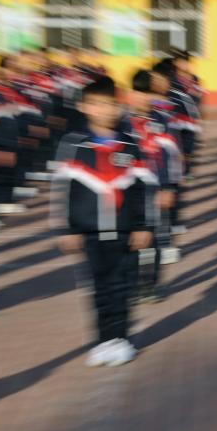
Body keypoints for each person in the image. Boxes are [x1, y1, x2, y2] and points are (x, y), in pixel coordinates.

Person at [51, 76, 155, 367]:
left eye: (110, 104)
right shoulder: (73, 145)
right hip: (90, 232)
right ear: (84, 107)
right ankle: (103, 341)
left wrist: (144, 226)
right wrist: (67, 228)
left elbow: (144, 189)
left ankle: (120, 338)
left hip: (124, 232)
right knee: (97, 288)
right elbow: (62, 189)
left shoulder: (130, 147)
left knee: (122, 286)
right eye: (96, 104)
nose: (104, 110)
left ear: (119, 108)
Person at [130, 69, 184, 298]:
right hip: (129, 191)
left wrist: (170, 188)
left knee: (157, 237)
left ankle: (149, 284)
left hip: (156, 189)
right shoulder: (122, 123)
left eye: (147, 93)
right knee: (129, 239)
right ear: (129, 94)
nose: (142, 98)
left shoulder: (163, 122)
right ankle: (131, 283)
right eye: (138, 93)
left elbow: (173, 156)